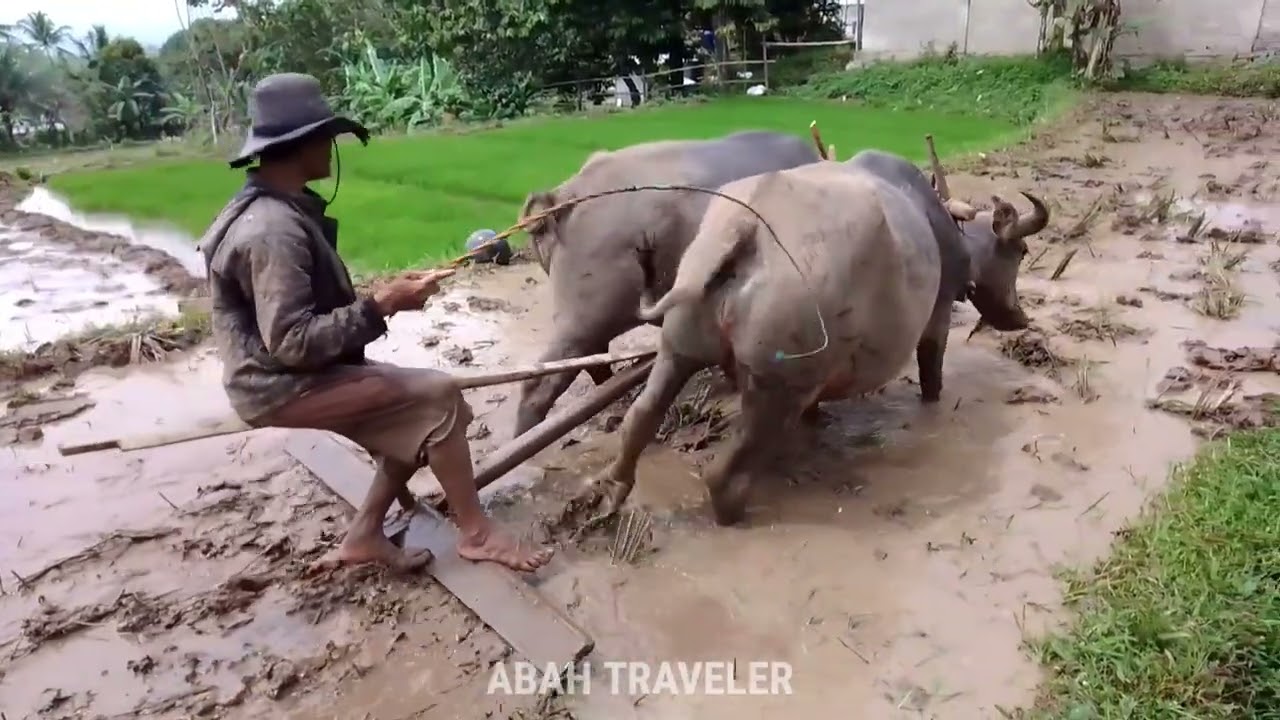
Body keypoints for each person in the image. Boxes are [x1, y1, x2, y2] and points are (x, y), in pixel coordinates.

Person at [198, 72, 553, 574]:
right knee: (437, 397)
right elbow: (293, 342)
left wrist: (383, 298)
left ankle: (364, 535)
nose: (332, 148)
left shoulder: (267, 209)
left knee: (405, 414)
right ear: (303, 145)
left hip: (282, 373)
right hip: (277, 385)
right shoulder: (273, 230)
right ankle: (478, 535)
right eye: (327, 137)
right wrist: (380, 305)